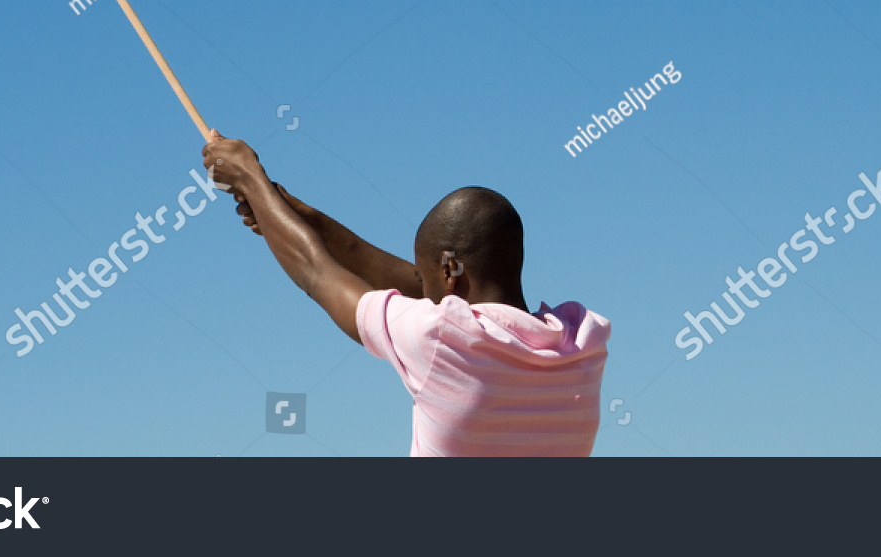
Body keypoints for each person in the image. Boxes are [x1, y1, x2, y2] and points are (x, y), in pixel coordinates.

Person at [202, 133, 611, 456]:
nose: (424, 297)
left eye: (431, 281)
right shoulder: (583, 342)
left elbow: (316, 273)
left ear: (451, 270)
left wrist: (248, 178)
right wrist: (284, 206)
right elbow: (401, 279)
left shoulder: (442, 339)